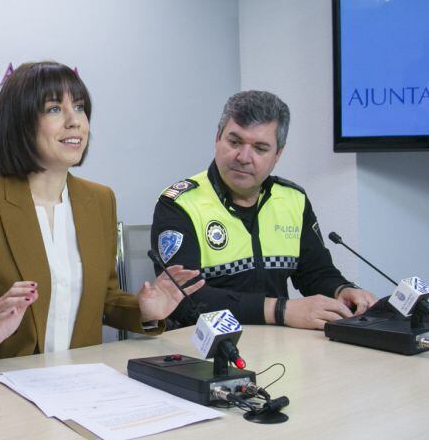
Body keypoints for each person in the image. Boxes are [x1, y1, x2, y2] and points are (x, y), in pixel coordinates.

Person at [0, 61, 202, 366]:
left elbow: (102, 299)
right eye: (53, 109)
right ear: (20, 122)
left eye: (79, 107)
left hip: (77, 385)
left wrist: (144, 311)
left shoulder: (99, 200)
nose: (74, 121)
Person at [150, 90, 376, 330]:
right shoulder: (180, 204)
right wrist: (281, 310)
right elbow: (186, 301)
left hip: (282, 349)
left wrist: (342, 290)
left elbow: (315, 272)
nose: (243, 157)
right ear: (218, 137)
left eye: (260, 148)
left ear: (278, 154)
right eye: (234, 142)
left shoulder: (293, 199)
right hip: (205, 352)